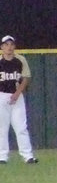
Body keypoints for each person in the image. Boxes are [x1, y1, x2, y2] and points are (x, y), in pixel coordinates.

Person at [0, 34, 38, 164]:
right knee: (1, 127)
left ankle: (28, 156)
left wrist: (17, 93)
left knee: (21, 126)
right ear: (2, 47)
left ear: (14, 46)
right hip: (1, 95)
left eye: (11, 45)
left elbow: (26, 78)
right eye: (6, 45)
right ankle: (2, 156)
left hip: (17, 96)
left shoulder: (20, 60)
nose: (9, 47)